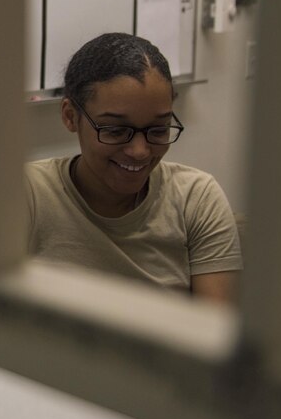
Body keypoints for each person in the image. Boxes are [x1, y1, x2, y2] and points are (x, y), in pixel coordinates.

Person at [26, 32, 242, 303]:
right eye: (116, 130)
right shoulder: (27, 195)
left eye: (158, 129)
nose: (140, 151)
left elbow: (215, 333)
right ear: (71, 116)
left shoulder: (196, 199)